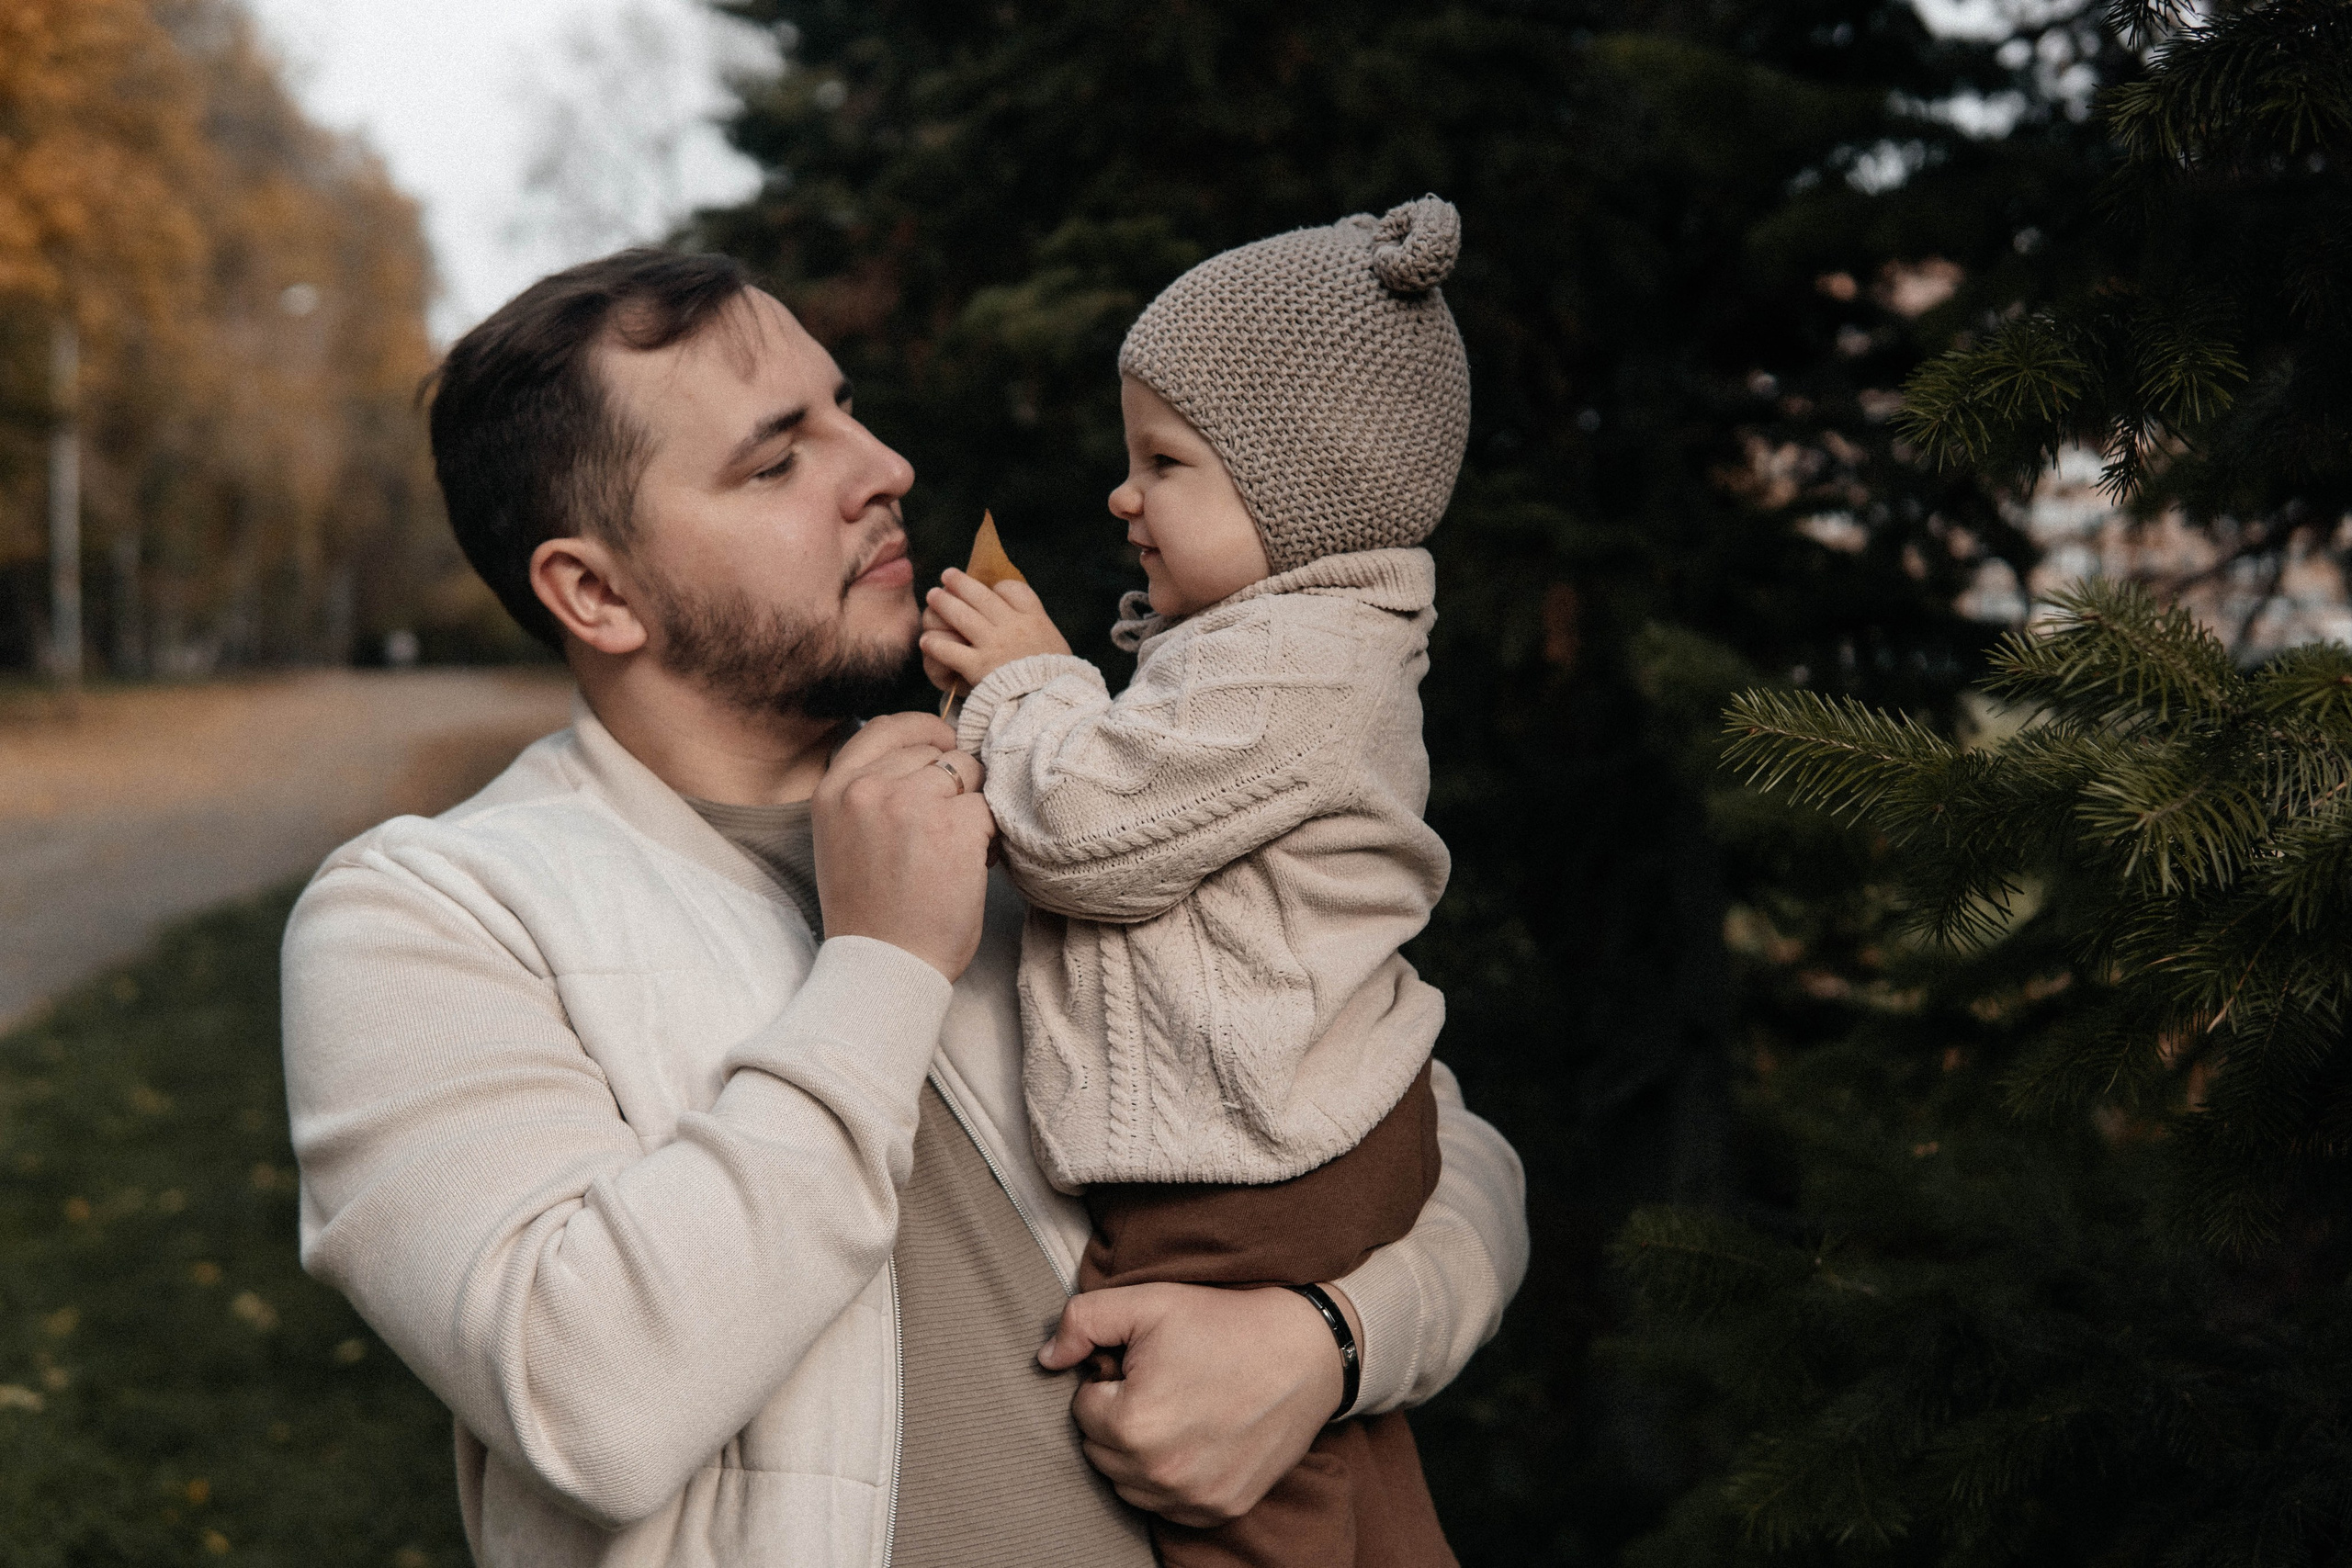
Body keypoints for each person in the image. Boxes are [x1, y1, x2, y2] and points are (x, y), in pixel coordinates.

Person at [279, 246, 1527, 1568]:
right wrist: (879, 962)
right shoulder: (428, 916)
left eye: (846, 407)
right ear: (595, 592)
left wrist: (1331, 1343)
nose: (882, 469)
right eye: (776, 461)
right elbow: (593, 1398)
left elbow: (1456, 1161)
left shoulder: (1060, 803)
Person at [917, 197, 1469, 1567]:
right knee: (1339, 1465)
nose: (1124, 496)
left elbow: (1088, 834)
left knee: (1213, 1472)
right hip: (1312, 1131)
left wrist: (1023, 686)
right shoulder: (1278, 655)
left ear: (1305, 488)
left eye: (1165, 462)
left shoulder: (1295, 669)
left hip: (1253, 1167)